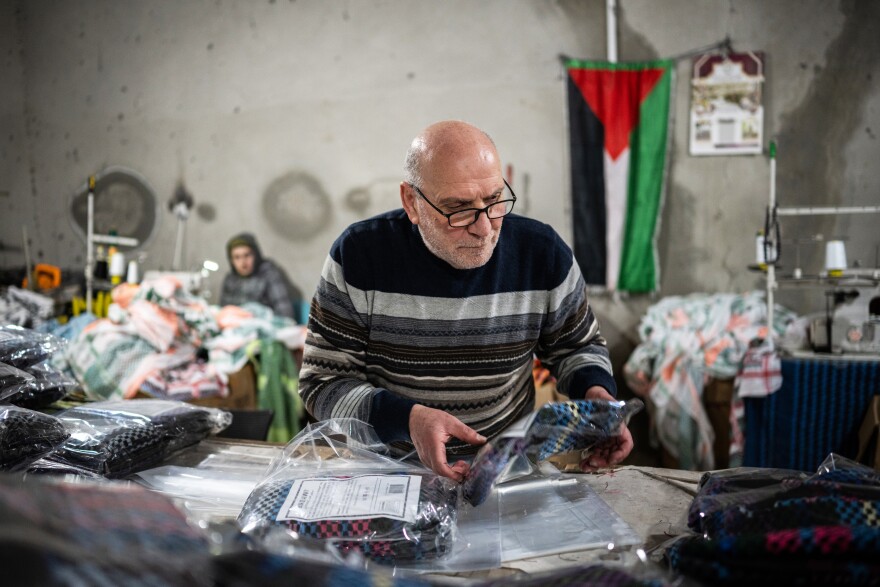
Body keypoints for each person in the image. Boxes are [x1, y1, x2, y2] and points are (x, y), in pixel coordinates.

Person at [299, 120, 633, 481]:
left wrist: (597, 394)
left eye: (494, 201)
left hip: (503, 468)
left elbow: (575, 347)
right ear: (411, 202)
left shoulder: (542, 253)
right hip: (388, 471)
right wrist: (406, 420)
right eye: (458, 209)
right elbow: (322, 382)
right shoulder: (360, 257)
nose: (484, 228)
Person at [220, 232, 303, 320]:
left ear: (256, 255)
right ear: (231, 260)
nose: (243, 263)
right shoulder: (230, 279)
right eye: (237, 257)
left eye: (247, 255)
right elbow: (224, 311)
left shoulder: (269, 274)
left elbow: (285, 314)